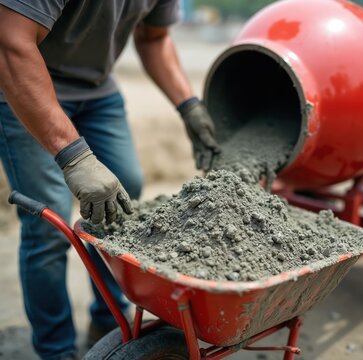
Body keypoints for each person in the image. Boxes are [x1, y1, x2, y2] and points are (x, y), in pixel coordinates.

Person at [0, 1, 220, 359]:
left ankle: (108, 321)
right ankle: (56, 350)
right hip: (27, 81)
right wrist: (74, 156)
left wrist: (189, 105)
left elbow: (154, 37)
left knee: (125, 193)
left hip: (98, 91)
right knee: (50, 227)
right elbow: (11, 41)